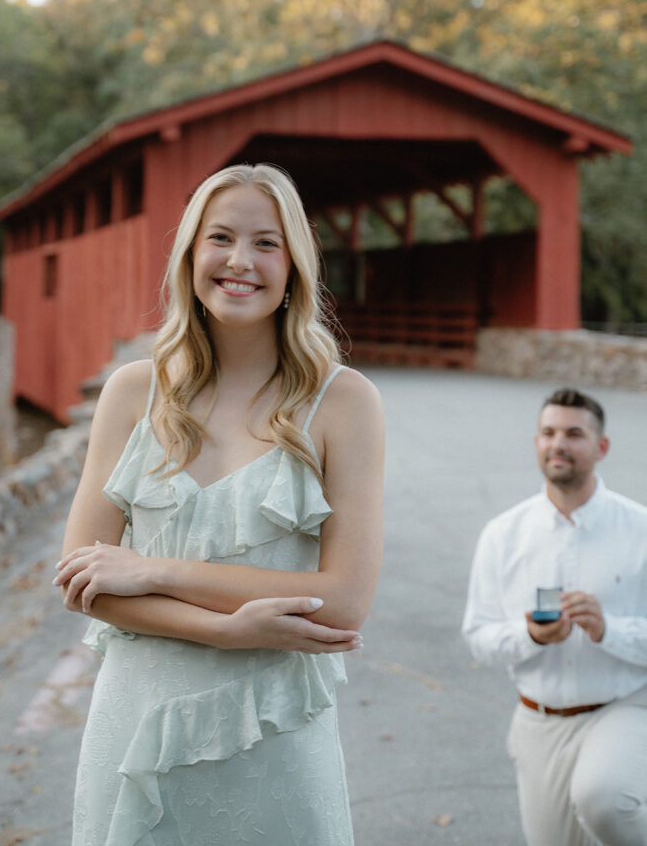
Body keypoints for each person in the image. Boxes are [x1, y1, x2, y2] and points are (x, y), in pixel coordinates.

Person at [53, 163, 384, 845]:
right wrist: (226, 630)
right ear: (189, 255)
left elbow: (343, 599)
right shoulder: (131, 393)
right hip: (137, 722)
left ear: (294, 263)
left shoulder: (344, 402)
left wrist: (155, 571)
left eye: (266, 243)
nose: (240, 261)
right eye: (221, 238)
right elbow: (83, 581)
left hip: (272, 728)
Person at [462, 387, 647, 846]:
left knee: (604, 799)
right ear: (536, 441)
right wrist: (531, 635)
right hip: (538, 721)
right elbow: (478, 636)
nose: (557, 444)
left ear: (601, 447)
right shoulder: (502, 535)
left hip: (622, 708)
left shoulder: (640, 530)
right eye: (548, 432)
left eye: (574, 434)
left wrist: (609, 629)